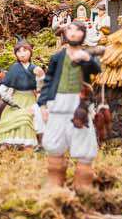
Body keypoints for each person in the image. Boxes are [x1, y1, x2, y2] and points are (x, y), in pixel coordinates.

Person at [38, 22, 101, 190]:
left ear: (83, 34)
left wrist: (86, 58)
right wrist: (43, 104)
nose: (73, 33)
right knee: (54, 142)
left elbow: (97, 69)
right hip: (57, 103)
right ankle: (55, 180)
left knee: (83, 141)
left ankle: (83, 182)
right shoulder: (57, 58)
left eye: (78, 30)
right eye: (70, 29)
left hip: (79, 106)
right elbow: (48, 80)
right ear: (65, 34)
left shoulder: (87, 56)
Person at [0, 41, 40, 149]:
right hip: (16, 98)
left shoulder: (35, 68)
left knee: (27, 117)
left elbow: (40, 86)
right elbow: (6, 83)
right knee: (9, 116)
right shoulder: (14, 68)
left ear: (30, 52)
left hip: (30, 98)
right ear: (15, 54)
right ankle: (7, 141)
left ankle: (27, 142)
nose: (22, 54)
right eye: (19, 51)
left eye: (25, 50)